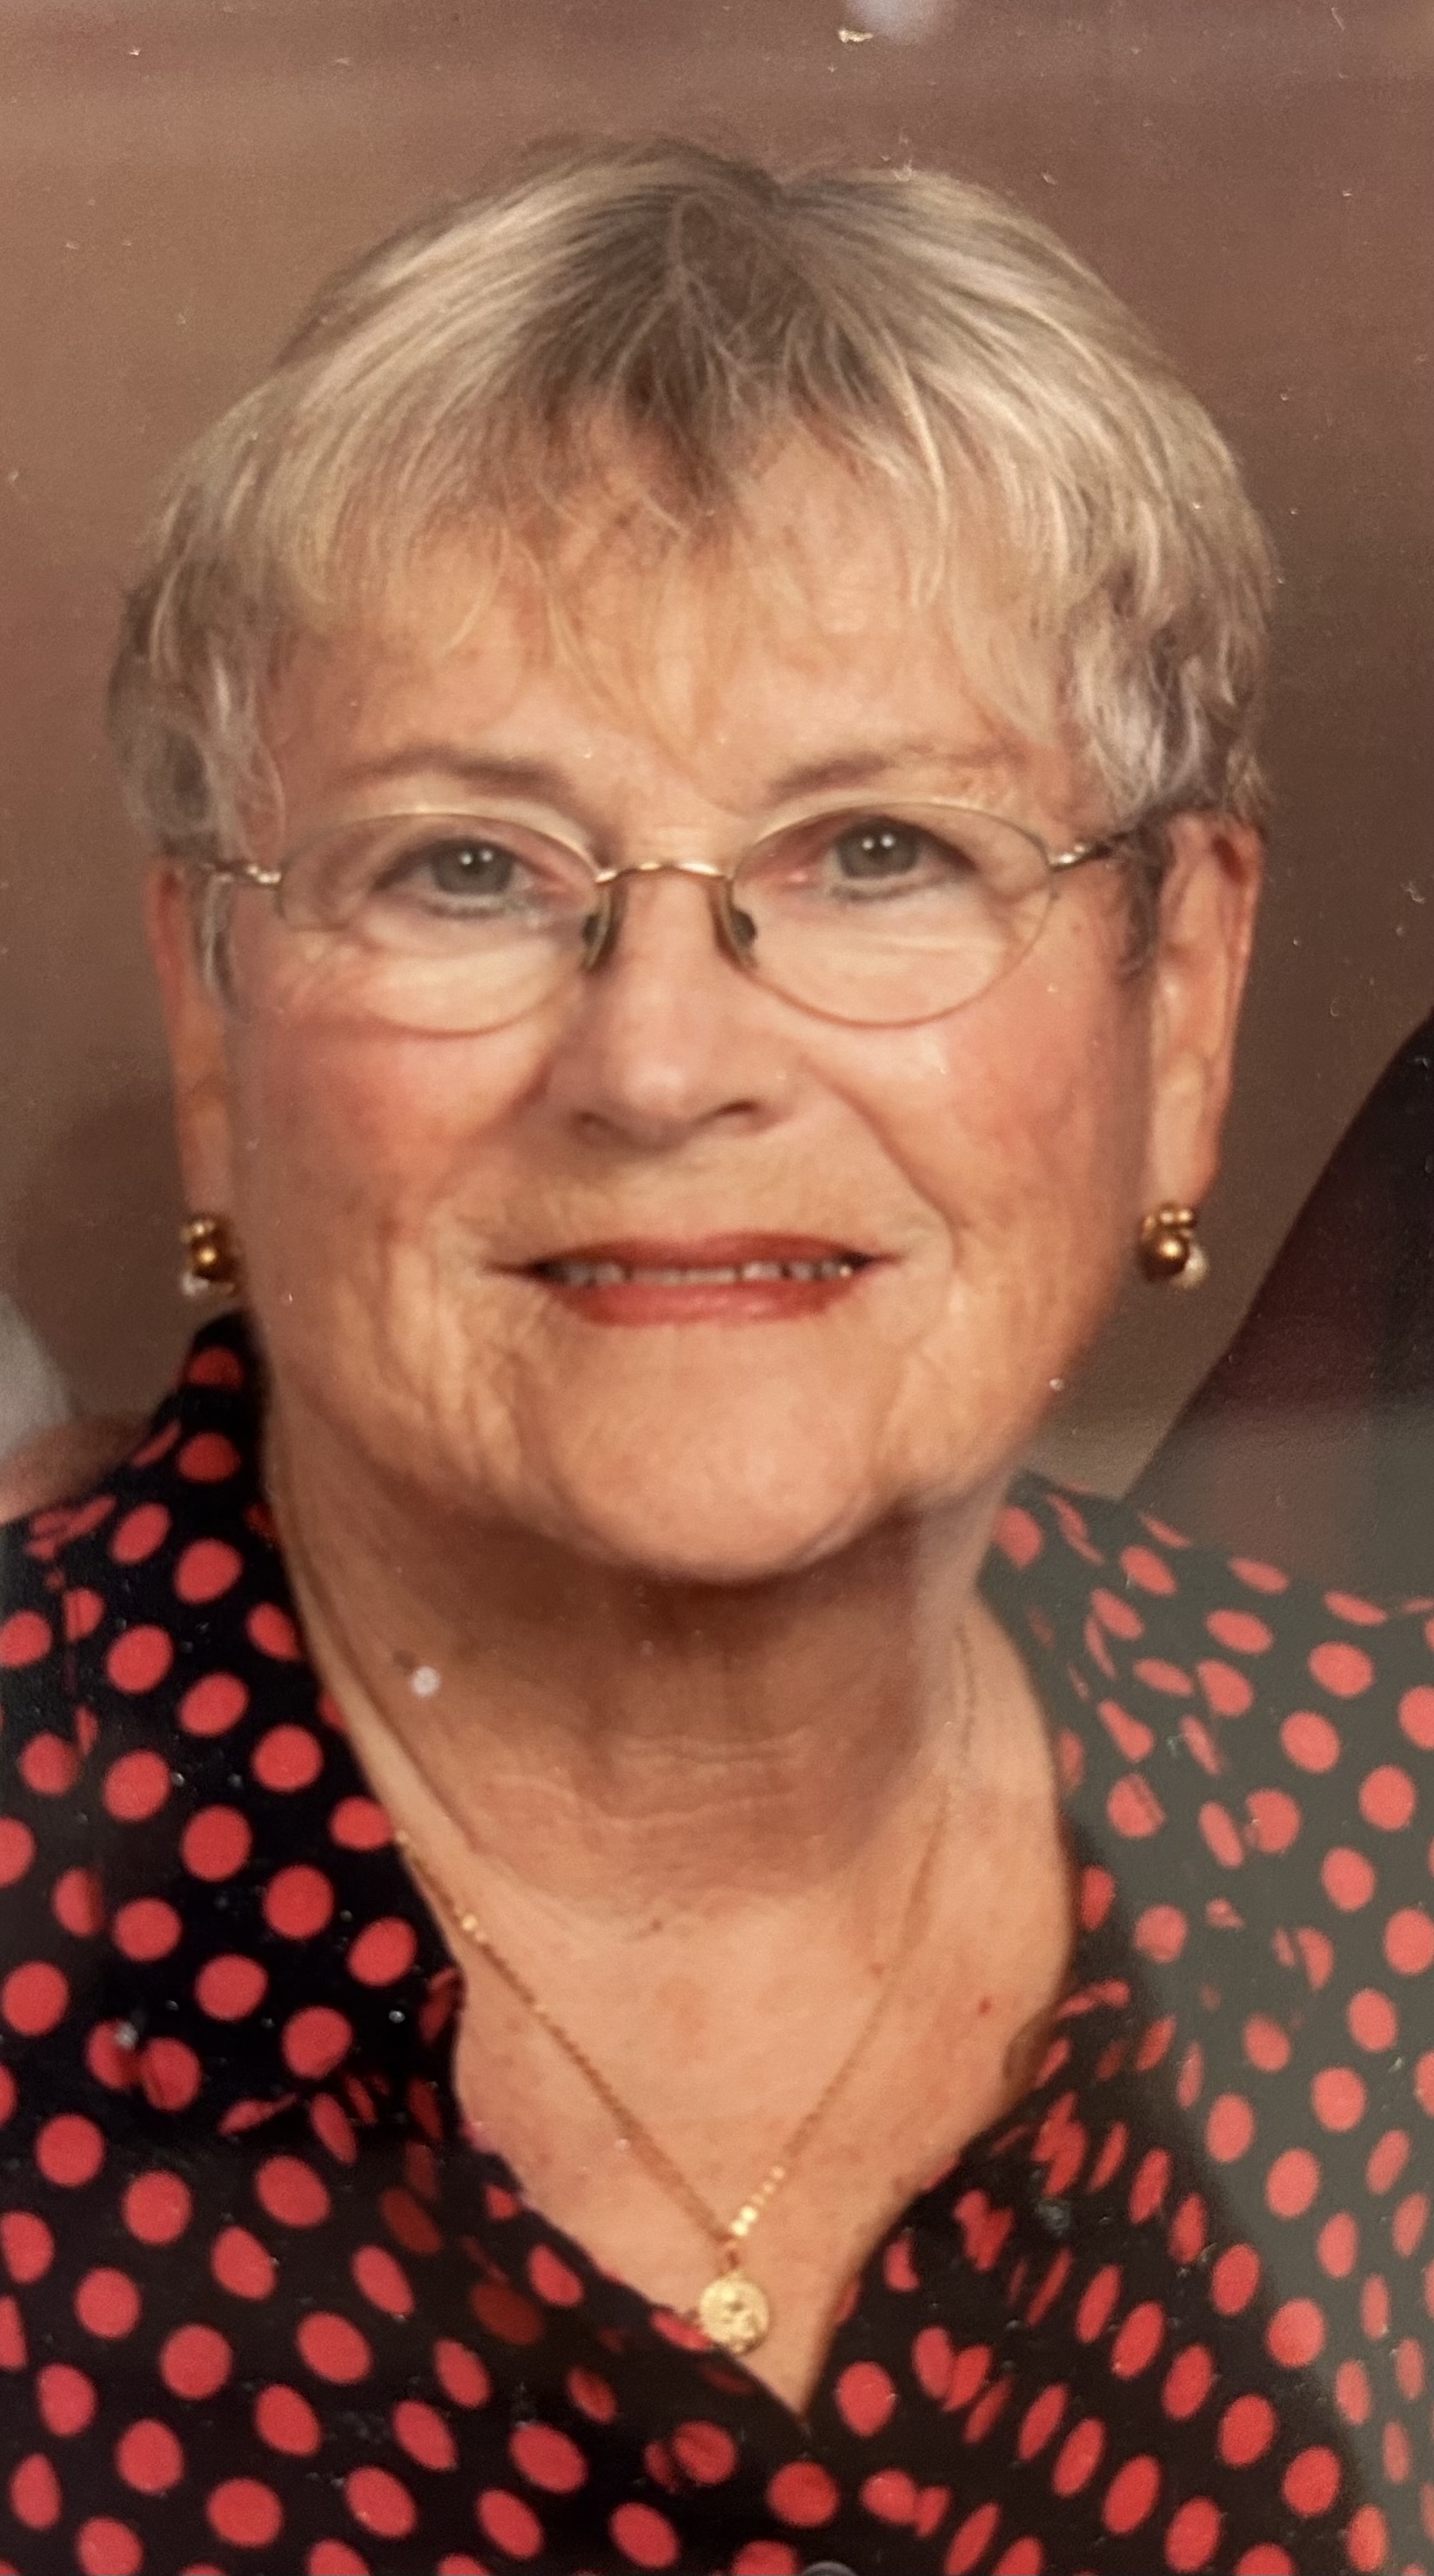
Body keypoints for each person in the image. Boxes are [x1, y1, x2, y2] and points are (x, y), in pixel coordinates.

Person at [0, 144, 1426, 2576]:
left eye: (880, 851)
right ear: (215, 1024)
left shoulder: (1390, 1829)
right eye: (466, 866)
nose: (662, 1065)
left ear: (1179, 1001)